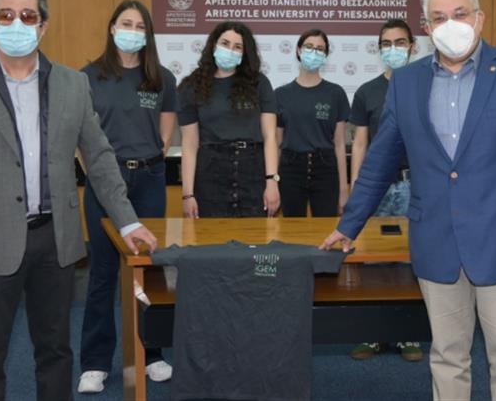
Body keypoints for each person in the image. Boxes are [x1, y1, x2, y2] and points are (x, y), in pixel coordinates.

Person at [322, 0, 496, 401]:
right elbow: (380, 160)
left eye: (460, 13)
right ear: (426, 27)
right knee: (448, 356)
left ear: (479, 18)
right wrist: (349, 224)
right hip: (435, 240)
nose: (450, 24)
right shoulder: (406, 81)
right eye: (438, 17)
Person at [0, 0, 158, 401]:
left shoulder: (73, 84)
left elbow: (99, 157)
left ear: (43, 25)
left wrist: (127, 222)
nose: (17, 23)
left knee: (55, 353)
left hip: (55, 241)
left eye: (27, 16)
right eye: (6, 15)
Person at [77, 0, 177, 394]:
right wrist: (100, 175)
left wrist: (150, 157)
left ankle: (152, 354)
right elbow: (80, 138)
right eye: (126, 23)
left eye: (140, 26)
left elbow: (165, 132)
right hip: (106, 181)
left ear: (148, 34)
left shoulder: (161, 78)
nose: (133, 31)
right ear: (112, 28)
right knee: (103, 273)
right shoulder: (88, 76)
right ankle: (95, 362)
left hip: (149, 179)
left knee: (149, 270)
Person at [346, 19, 423, 362]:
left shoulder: (425, 86)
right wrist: (355, 189)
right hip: (375, 188)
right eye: (386, 44)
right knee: (373, 260)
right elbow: (360, 144)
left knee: (409, 258)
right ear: (378, 50)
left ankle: (407, 335)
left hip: (413, 185)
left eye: (400, 42)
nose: (393, 49)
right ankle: (373, 334)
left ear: (413, 46)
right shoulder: (367, 91)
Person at [178, 21, 280, 218]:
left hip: (253, 172)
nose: (230, 50)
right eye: (225, 43)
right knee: (211, 235)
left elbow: (270, 136)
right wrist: (188, 194)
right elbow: (189, 144)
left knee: (254, 235)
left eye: (237, 47)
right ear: (213, 45)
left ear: (244, 53)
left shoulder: (259, 83)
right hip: (210, 174)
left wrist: (272, 181)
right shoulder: (191, 86)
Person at [275, 29, 350, 217]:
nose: (314, 52)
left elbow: (340, 145)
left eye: (319, 49)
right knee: (291, 228)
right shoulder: (281, 94)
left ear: (325, 55)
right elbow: (276, 144)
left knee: (325, 227)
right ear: (299, 50)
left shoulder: (336, 93)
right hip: (290, 169)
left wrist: (343, 189)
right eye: (309, 47)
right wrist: (272, 183)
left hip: (325, 168)